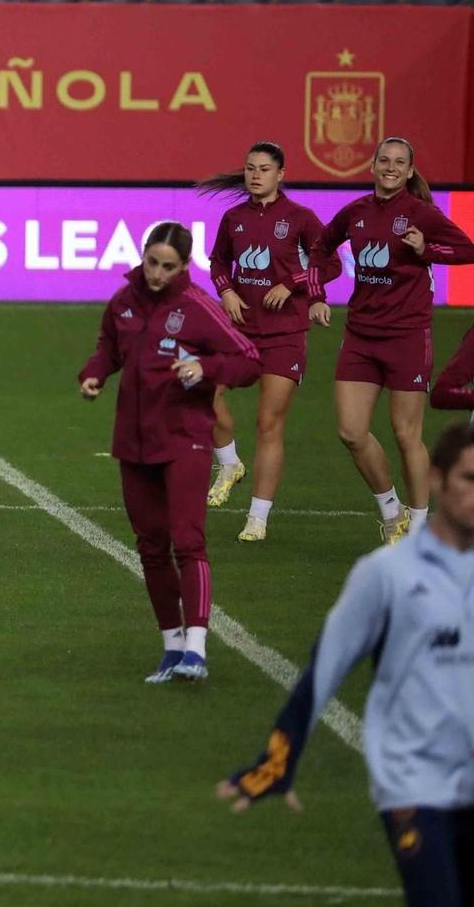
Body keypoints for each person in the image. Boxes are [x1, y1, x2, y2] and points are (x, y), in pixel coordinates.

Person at [217, 421, 474, 907]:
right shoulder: (387, 574)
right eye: (470, 479)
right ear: (438, 481)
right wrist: (277, 762)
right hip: (412, 781)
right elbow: (323, 668)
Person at [78, 222, 260, 683]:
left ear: (184, 265)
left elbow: (249, 359)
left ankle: (197, 648)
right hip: (133, 443)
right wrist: (94, 373)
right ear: (143, 255)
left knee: (187, 540)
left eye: (169, 266)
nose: (158, 274)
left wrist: (207, 366)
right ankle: (171, 647)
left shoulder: (197, 306)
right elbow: (108, 348)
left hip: (186, 438)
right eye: (153, 262)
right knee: (151, 547)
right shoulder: (123, 302)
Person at [311, 137, 474, 543]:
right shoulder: (355, 212)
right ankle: (391, 510)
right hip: (361, 336)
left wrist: (426, 249)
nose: (390, 167)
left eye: (399, 162)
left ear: (409, 171)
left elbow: (467, 250)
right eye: (385, 160)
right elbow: (320, 247)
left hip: (407, 335)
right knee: (350, 431)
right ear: (373, 165)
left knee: (405, 435)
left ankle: (419, 530)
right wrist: (315, 296)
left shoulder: (421, 214)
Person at [197, 142, 339, 542]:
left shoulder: (300, 218)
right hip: (241, 330)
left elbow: (327, 262)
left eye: (263, 169)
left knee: (268, 424)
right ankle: (228, 463)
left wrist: (293, 284)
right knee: (201, 391)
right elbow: (219, 262)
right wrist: (226, 291)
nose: (255, 175)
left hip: (284, 335)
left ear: (281, 175)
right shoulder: (234, 218)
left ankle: (257, 518)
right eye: (249, 168)